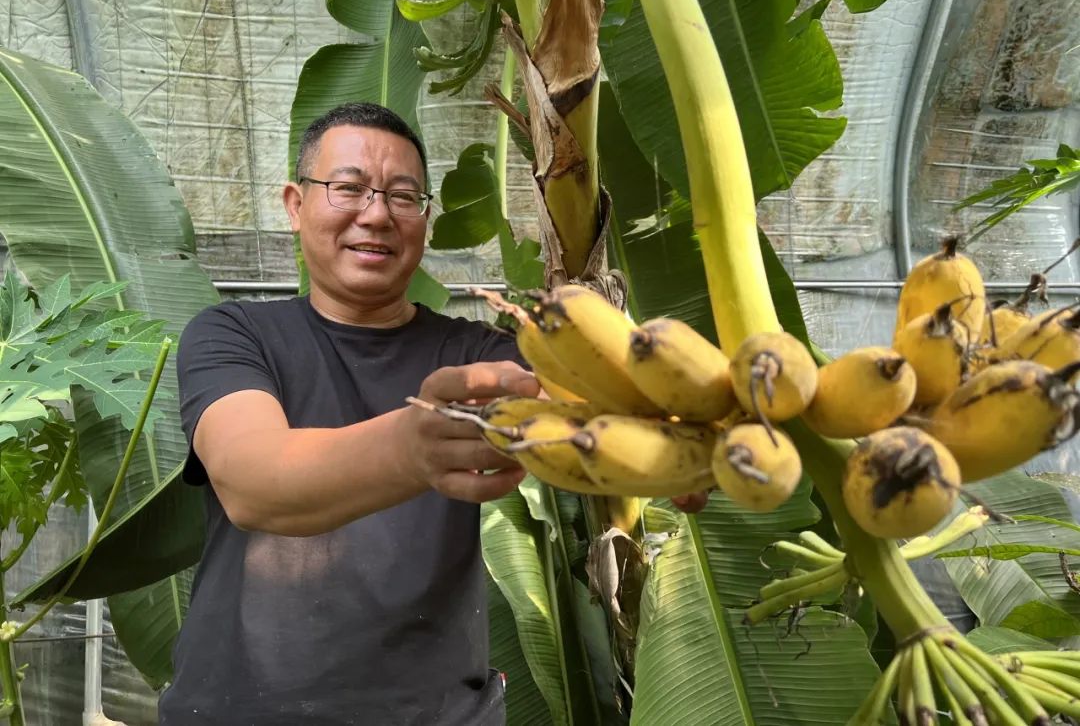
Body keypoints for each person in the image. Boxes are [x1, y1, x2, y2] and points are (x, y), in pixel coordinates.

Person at [158, 102, 706, 725]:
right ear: (295, 203)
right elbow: (256, 484)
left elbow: (585, 421)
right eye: (348, 188)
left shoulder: (481, 356)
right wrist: (415, 446)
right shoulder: (233, 334)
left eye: (402, 196)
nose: (376, 214)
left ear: (423, 219)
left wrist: (667, 440)